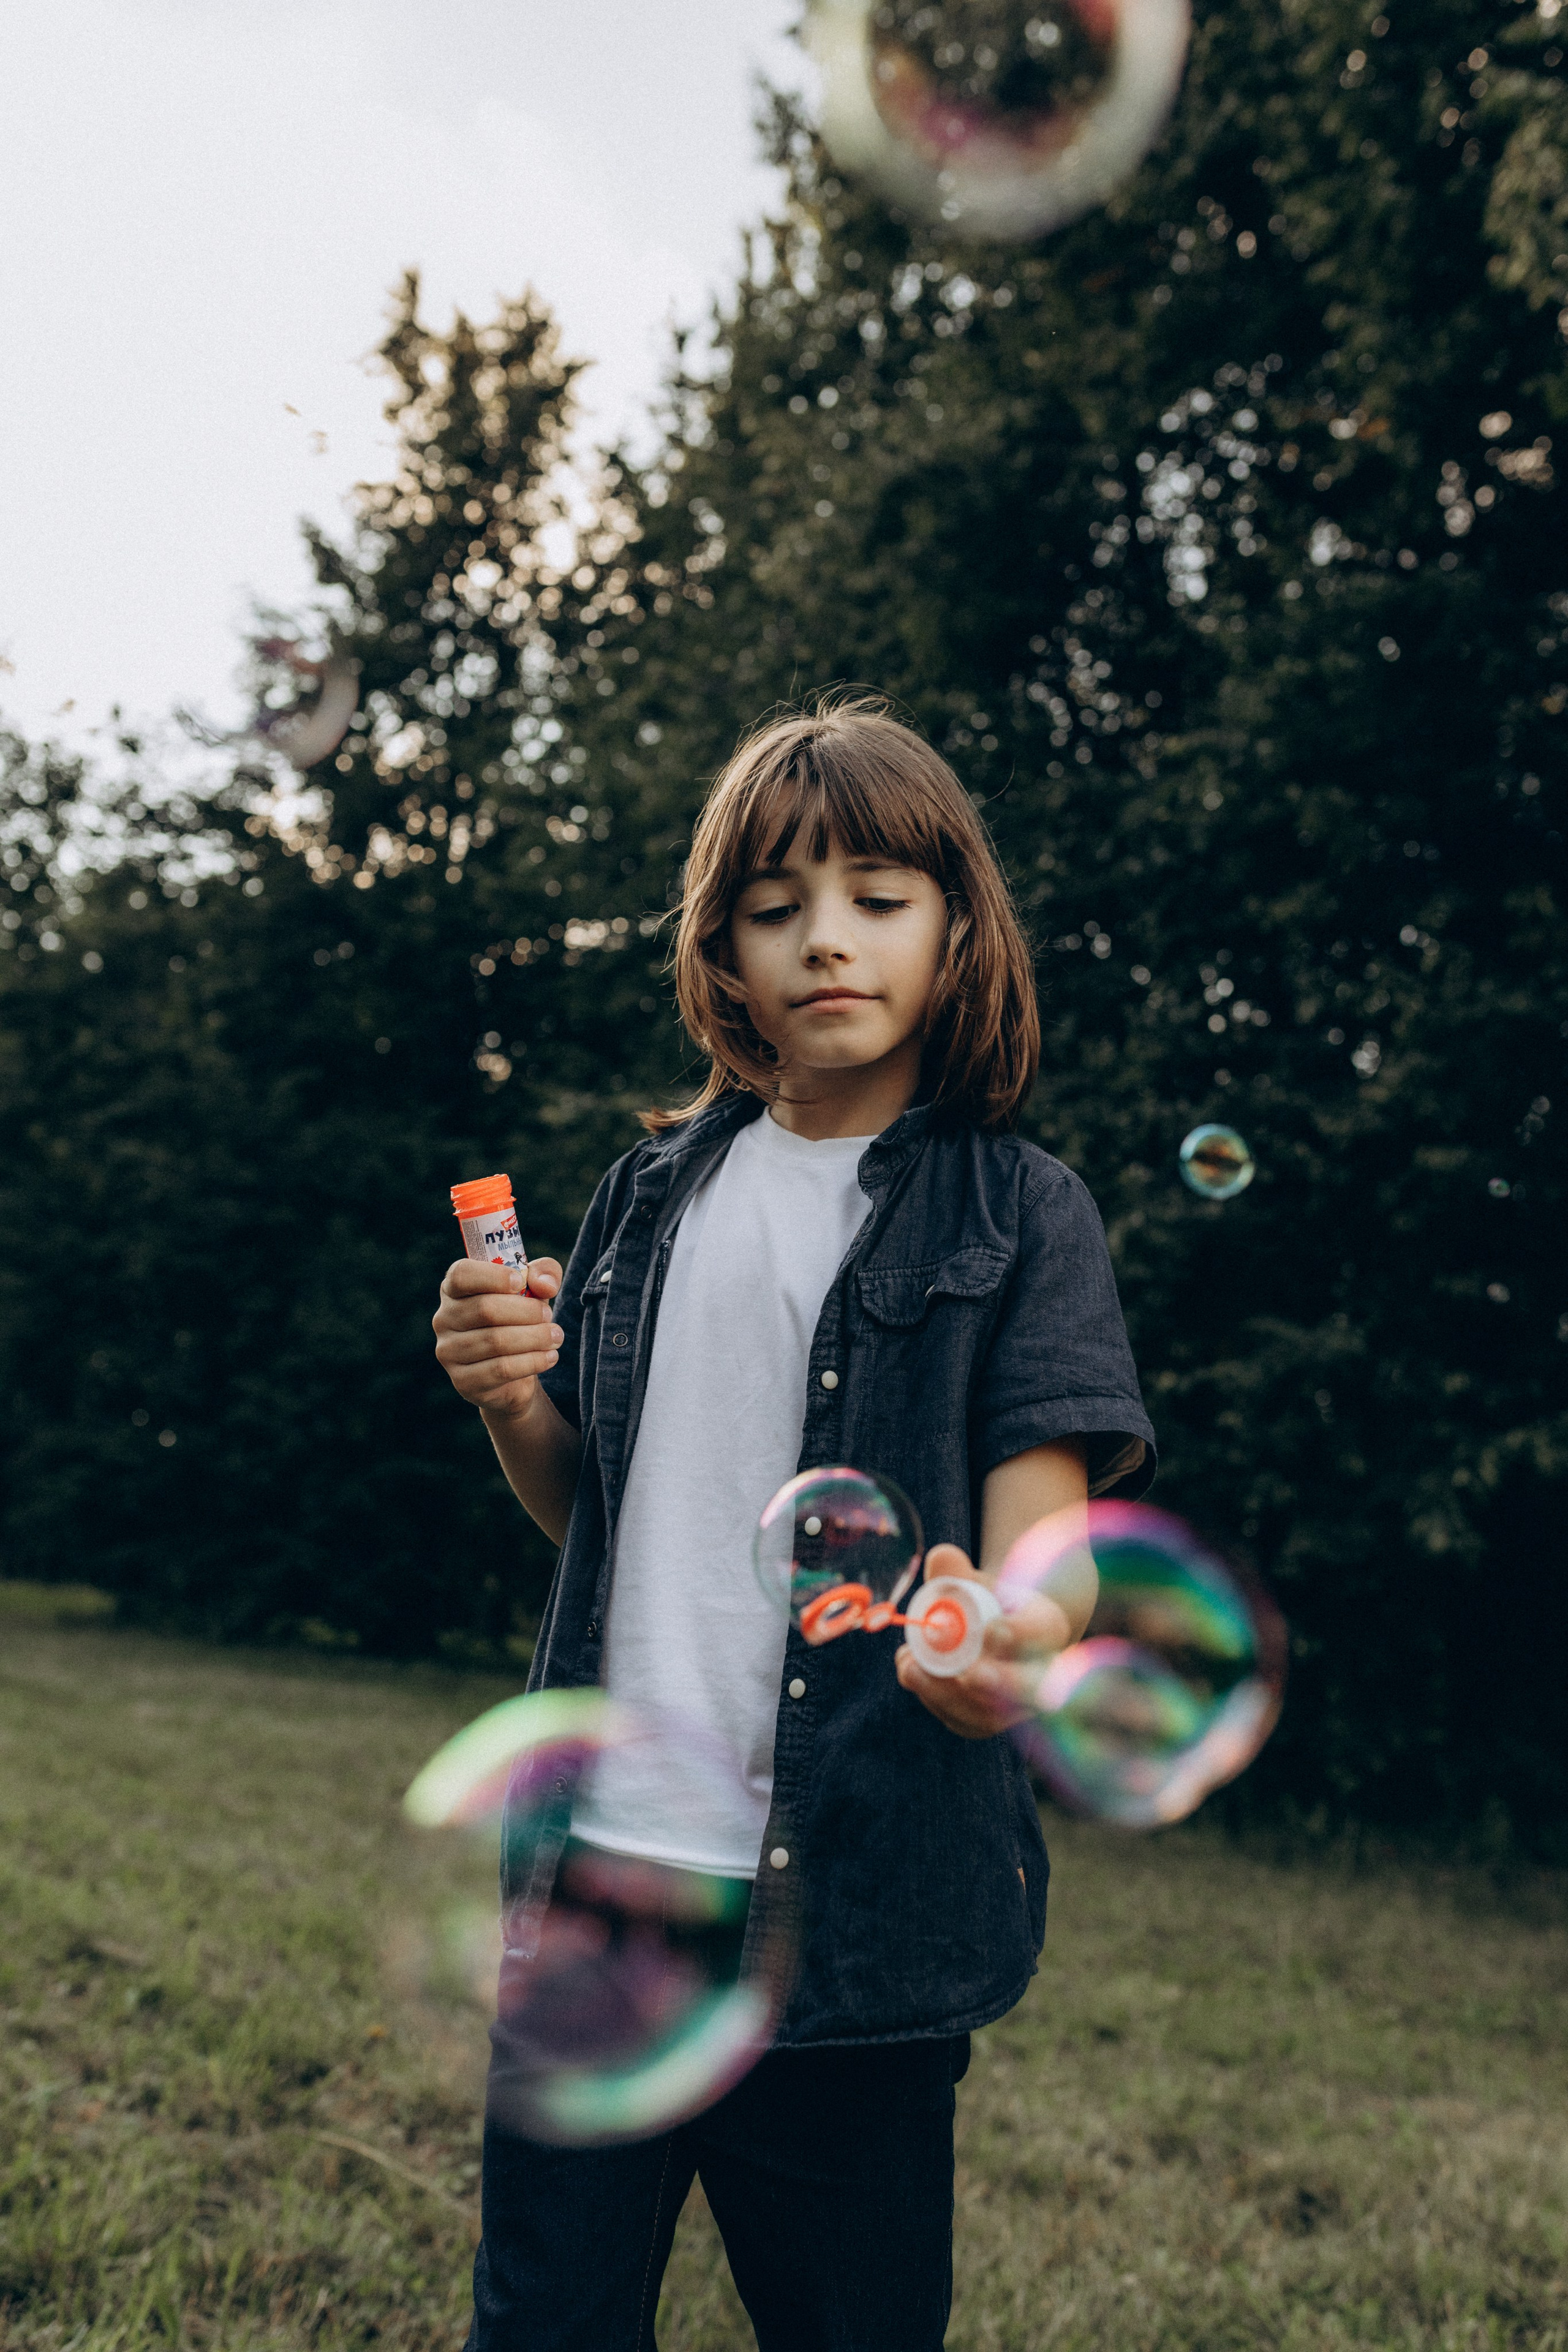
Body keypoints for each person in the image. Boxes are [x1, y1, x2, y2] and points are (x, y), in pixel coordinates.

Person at [432, 695, 1155, 2351]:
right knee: (541, 2321)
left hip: (857, 1918)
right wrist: (509, 1397)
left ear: (957, 931)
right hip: (608, 1887)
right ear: (726, 956)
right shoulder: (650, 1194)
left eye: (878, 898)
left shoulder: (1020, 1211)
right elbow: (595, 1512)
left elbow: (1044, 1548)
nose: (828, 938)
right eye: (777, 907)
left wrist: (1007, 1639)